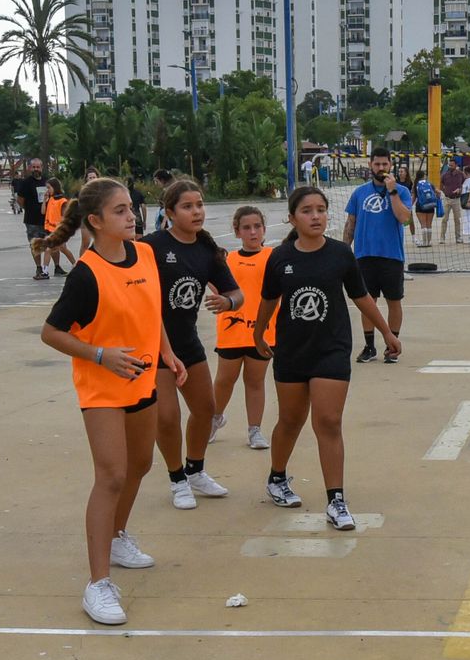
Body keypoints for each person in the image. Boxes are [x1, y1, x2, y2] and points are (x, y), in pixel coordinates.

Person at [36, 178, 185, 625]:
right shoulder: (87, 273)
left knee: (140, 465)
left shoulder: (144, 255)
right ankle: (97, 584)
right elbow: (51, 333)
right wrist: (100, 355)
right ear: (96, 221)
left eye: (131, 208)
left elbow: (151, 308)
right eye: (120, 211)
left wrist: (167, 352)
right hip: (102, 387)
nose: (131, 217)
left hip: (141, 380)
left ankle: (119, 536)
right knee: (112, 475)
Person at [254, 187, 400, 529]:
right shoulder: (280, 257)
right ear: (292, 218)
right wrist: (258, 333)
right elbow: (268, 300)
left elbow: (362, 297)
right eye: (307, 210)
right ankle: (277, 477)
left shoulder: (340, 255)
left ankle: (336, 500)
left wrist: (387, 333)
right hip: (291, 351)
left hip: (331, 349)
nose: (316, 216)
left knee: (329, 421)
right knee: (290, 420)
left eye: (321, 209)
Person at [143, 178, 243, 510]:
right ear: (169, 212)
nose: (196, 211)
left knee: (206, 410)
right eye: (187, 206)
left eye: (199, 204)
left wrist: (228, 304)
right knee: (167, 417)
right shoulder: (150, 247)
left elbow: (236, 293)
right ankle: (176, 479)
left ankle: (195, 470)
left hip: (188, 343)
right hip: (154, 345)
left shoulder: (207, 250)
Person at [211, 206, 275, 452]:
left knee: (255, 381)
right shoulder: (227, 260)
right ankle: (215, 418)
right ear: (237, 232)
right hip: (231, 330)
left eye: (257, 226)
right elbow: (218, 289)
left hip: (263, 331)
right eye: (246, 228)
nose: (253, 232)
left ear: (264, 229)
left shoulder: (272, 258)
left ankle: (254, 429)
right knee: (225, 380)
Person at [343, 148, 414, 364]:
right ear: (370, 165)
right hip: (364, 256)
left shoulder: (401, 191)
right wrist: (344, 251)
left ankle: (392, 345)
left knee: (394, 301)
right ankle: (369, 346)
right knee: (367, 302)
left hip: (391, 256)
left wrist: (392, 192)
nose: (381, 168)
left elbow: (404, 219)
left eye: (385, 164)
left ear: (390, 166)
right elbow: (351, 223)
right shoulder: (359, 193)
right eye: (377, 164)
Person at [12, 157, 51, 280]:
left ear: (42, 168)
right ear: (30, 168)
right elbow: (20, 199)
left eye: (38, 167)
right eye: (33, 167)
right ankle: (38, 267)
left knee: (49, 244)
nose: (36, 169)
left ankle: (51, 267)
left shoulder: (46, 181)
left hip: (47, 219)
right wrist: (27, 208)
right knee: (35, 245)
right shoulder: (26, 183)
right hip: (31, 219)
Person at [42, 178, 75, 276]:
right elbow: (43, 212)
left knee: (50, 249)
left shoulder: (62, 201)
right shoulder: (51, 199)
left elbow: (65, 217)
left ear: (55, 187)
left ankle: (45, 272)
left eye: (49, 188)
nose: (48, 190)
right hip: (49, 229)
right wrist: (44, 201)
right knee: (62, 249)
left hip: (58, 231)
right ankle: (75, 264)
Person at [439, 161, 466, 244]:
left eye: (451, 165)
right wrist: (444, 191)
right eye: (449, 165)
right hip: (447, 199)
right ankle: (442, 238)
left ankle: (458, 237)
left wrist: (460, 190)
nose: (450, 166)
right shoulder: (445, 175)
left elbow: (465, 184)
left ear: (456, 165)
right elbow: (440, 184)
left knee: (457, 219)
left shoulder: (461, 174)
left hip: (456, 200)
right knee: (444, 219)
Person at [411, 170, 439, 246]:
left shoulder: (415, 184)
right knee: (429, 224)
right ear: (424, 176)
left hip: (420, 206)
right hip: (430, 205)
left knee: (423, 224)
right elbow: (438, 192)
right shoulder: (430, 184)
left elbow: (413, 197)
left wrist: (409, 206)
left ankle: (424, 242)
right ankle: (429, 242)